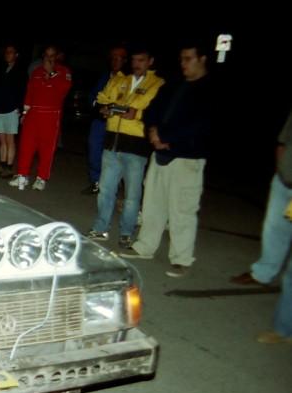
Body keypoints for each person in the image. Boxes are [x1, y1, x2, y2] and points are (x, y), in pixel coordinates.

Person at [120, 42, 215, 278]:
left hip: (187, 158)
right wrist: (153, 132)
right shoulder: (174, 84)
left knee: (182, 210)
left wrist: (169, 139)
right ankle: (145, 246)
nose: (183, 64)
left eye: (188, 59)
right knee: (153, 204)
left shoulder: (209, 88)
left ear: (202, 59)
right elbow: (153, 110)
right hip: (160, 153)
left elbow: (202, 125)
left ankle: (181, 258)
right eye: (181, 59)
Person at [86, 46, 164, 248]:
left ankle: (126, 232)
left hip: (136, 147)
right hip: (112, 142)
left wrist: (136, 114)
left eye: (142, 60)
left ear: (150, 61)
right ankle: (101, 228)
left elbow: (156, 112)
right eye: (135, 60)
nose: (137, 64)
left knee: (132, 195)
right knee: (105, 190)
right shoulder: (121, 80)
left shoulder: (157, 84)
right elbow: (102, 97)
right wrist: (103, 108)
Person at [230, 110, 292, 344]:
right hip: (284, 182)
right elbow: (283, 141)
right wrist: (280, 172)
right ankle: (263, 273)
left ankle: (286, 329)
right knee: (273, 233)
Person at [9, 45, 72, 191]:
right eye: (46, 56)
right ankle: (22, 175)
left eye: (52, 56)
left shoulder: (64, 72)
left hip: (50, 116)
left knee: (46, 148)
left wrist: (52, 74)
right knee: (26, 146)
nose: (49, 59)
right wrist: (25, 114)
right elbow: (29, 94)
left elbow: (63, 91)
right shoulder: (36, 72)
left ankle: (41, 178)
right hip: (33, 115)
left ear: (57, 57)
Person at [82, 46, 127, 194]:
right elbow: (92, 96)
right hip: (100, 119)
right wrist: (99, 107)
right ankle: (96, 181)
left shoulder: (128, 79)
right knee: (94, 147)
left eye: (118, 57)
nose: (115, 60)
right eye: (113, 57)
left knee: (114, 155)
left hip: (118, 122)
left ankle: (113, 184)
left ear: (125, 60)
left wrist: (112, 107)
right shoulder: (104, 76)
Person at [0, 43, 26, 177]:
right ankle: (2, 164)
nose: (8, 54)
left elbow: (22, 91)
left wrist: (20, 108)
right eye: (6, 52)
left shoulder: (20, 71)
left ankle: (9, 167)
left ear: (16, 55)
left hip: (11, 109)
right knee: (2, 140)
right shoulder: (1, 69)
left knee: (10, 140)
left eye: (11, 52)